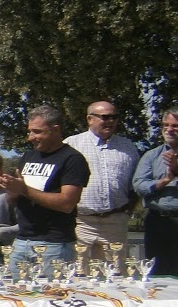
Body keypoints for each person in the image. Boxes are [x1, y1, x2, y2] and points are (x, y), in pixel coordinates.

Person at [0, 104, 90, 271]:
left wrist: (24, 190)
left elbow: (67, 203)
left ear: (56, 130)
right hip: (21, 241)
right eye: (29, 132)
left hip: (54, 245)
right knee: (15, 294)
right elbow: (15, 200)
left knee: (52, 295)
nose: (31, 137)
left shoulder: (72, 159)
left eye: (37, 131)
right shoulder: (28, 156)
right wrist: (11, 190)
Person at [64, 101, 140, 270]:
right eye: (105, 117)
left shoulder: (128, 147)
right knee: (77, 275)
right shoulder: (71, 145)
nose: (110, 121)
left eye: (115, 117)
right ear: (90, 119)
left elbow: (135, 184)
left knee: (114, 277)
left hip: (115, 222)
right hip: (80, 223)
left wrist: (127, 212)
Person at [131, 106, 178, 276]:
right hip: (158, 221)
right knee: (158, 273)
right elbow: (139, 185)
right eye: (166, 125)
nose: (169, 130)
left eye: (175, 126)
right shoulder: (152, 156)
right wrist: (165, 181)